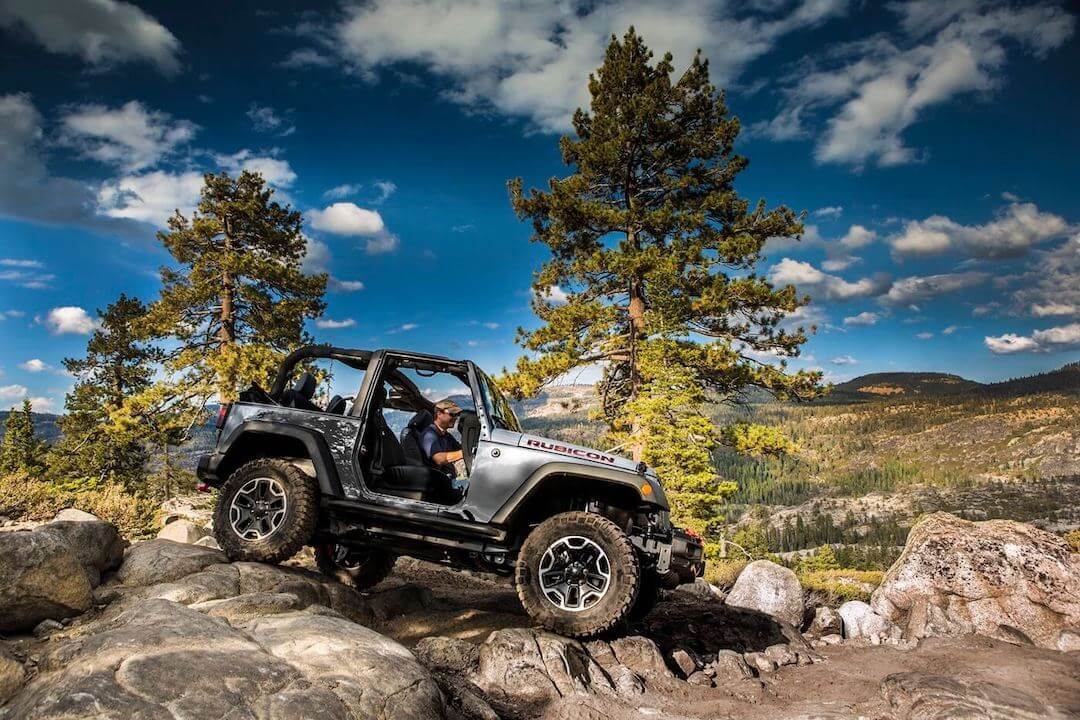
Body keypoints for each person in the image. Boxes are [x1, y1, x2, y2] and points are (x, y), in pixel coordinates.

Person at [421, 398, 467, 478]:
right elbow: (439, 459)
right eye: (452, 414)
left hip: (447, 474)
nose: (455, 417)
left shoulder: (445, 435)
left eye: (457, 414)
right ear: (439, 414)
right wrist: (465, 453)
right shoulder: (429, 434)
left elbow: (459, 448)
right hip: (437, 478)